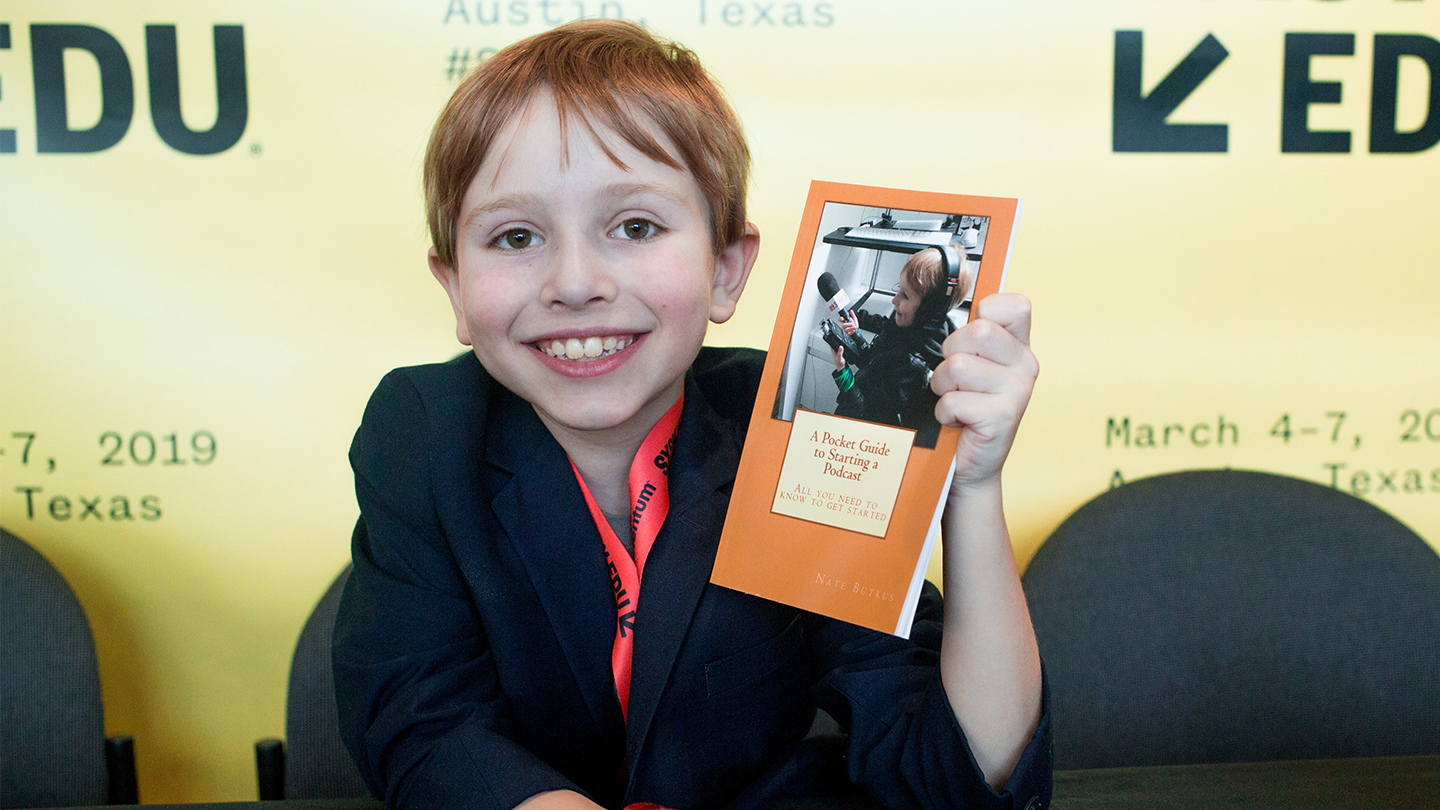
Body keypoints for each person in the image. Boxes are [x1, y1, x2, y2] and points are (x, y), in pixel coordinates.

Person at [332, 18, 1049, 810]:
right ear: (454, 288)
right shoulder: (424, 433)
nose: (575, 282)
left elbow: (954, 775)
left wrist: (973, 488)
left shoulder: (791, 433)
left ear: (726, 272)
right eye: (515, 236)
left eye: (635, 226)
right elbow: (424, 724)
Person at [829, 247, 974, 447]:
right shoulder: (910, 327)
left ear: (929, 310)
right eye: (899, 289)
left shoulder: (910, 367)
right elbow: (877, 361)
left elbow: (861, 409)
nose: (894, 300)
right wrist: (858, 334)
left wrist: (842, 372)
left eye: (905, 295)